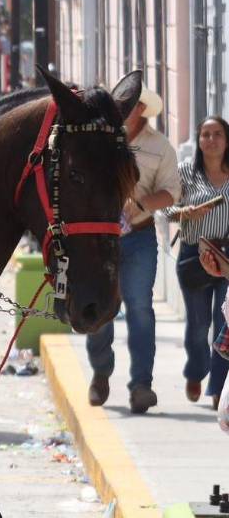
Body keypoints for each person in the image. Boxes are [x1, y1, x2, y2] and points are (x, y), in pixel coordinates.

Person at [85, 87, 180, 414]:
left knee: (140, 309)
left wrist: (140, 203)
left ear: (141, 108)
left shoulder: (160, 146)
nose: (123, 108)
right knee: (100, 307)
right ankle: (101, 373)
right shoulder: (99, 138)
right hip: (101, 238)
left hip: (139, 236)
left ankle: (141, 385)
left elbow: (171, 192)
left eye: (130, 104)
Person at [167, 115, 229, 410]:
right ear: (198, 140)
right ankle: (196, 371)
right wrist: (183, 213)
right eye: (205, 134)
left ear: (227, 140)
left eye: (217, 134)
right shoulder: (185, 172)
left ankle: (218, 386)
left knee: (225, 323)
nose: (211, 140)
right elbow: (164, 210)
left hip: (227, 257)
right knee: (199, 322)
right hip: (195, 255)